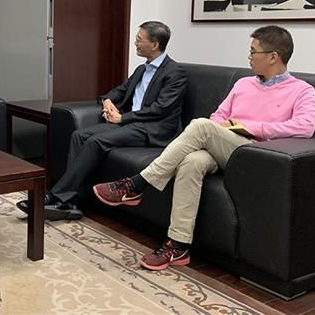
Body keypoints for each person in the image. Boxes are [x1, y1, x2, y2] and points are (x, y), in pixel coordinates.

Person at [92, 25, 315, 271]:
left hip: (256, 153)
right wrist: (223, 126)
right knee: (192, 162)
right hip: (225, 144)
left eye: (253, 51)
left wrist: (250, 127)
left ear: (273, 57)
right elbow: (218, 115)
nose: (249, 57)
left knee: (200, 126)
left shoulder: (302, 90)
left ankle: (136, 184)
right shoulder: (243, 84)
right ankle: (178, 246)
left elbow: (305, 126)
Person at [17, 21, 187, 221]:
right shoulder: (142, 69)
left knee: (96, 141)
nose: (135, 43)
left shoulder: (175, 73)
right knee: (79, 135)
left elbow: (161, 108)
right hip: (132, 124)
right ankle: (71, 202)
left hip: (153, 129)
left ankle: (56, 196)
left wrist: (122, 117)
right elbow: (119, 91)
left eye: (139, 39)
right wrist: (107, 101)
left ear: (155, 45)